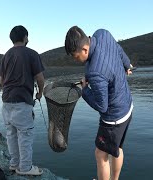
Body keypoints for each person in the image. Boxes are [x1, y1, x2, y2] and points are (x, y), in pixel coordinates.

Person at [65, 26, 133, 180]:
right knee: (117, 149)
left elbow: (102, 106)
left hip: (113, 119)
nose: (76, 61)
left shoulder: (94, 72)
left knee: (100, 155)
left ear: (84, 49)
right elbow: (119, 50)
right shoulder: (102, 34)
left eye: (76, 57)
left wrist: (84, 90)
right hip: (127, 107)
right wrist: (127, 65)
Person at [0, 25, 45, 176]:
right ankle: (25, 168)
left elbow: (1, 80)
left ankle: (14, 164)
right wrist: (40, 93)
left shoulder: (5, 55)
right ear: (25, 38)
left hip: (6, 101)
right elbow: (40, 78)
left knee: (11, 134)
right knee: (25, 135)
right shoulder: (32, 54)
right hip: (22, 101)